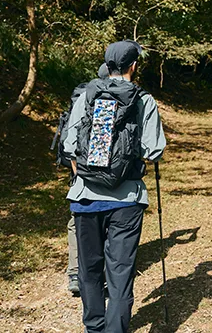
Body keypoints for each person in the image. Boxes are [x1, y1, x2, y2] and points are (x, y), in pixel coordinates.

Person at [63, 40, 166, 333]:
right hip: (127, 199)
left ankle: (93, 327)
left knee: (89, 269)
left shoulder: (86, 94)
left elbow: (70, 146)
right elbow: (154, 150)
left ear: (107, 65)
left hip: (84, 197)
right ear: (134, 66)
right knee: (119, 273)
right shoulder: (143, 100)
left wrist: (87, 176)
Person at [66, 63, 110, 297]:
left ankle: (75, 272)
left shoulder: (83, 98)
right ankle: (87, 273)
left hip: (77, 171)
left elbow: (69, 145)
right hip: (91, 175)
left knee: (76, 222)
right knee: (92, 223)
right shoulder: (102, 102)